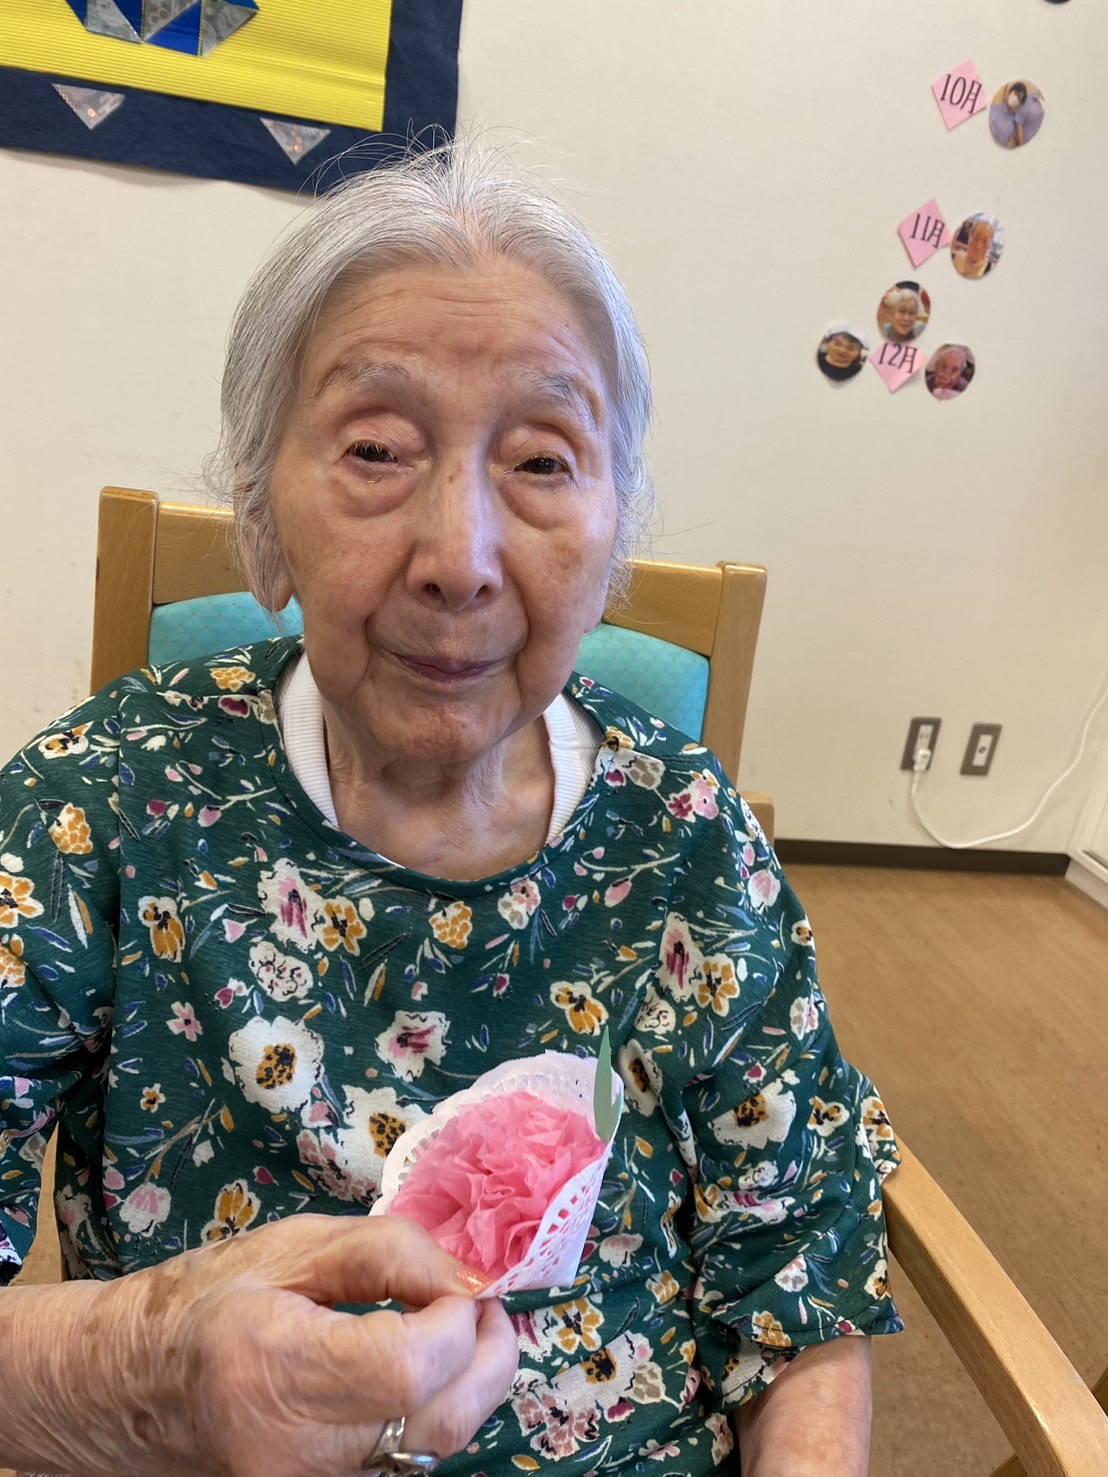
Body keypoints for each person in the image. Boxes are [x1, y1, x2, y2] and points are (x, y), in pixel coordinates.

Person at [0, 143, 900, 1477]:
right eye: (376, 449)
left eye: (541, 460)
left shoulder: (690, 834)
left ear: (613, 532)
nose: (461, 560)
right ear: (261, 513)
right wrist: (143, 1369)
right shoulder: (102, 805)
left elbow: (803, 1283)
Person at [989, 81, 1045, 149]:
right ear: (1010, 91)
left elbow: (1016, 142)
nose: (1015, 98)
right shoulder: (996, 107)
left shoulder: (1015, 121)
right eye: (1015, 93)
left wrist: (1010, 144)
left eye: (1019, 98)